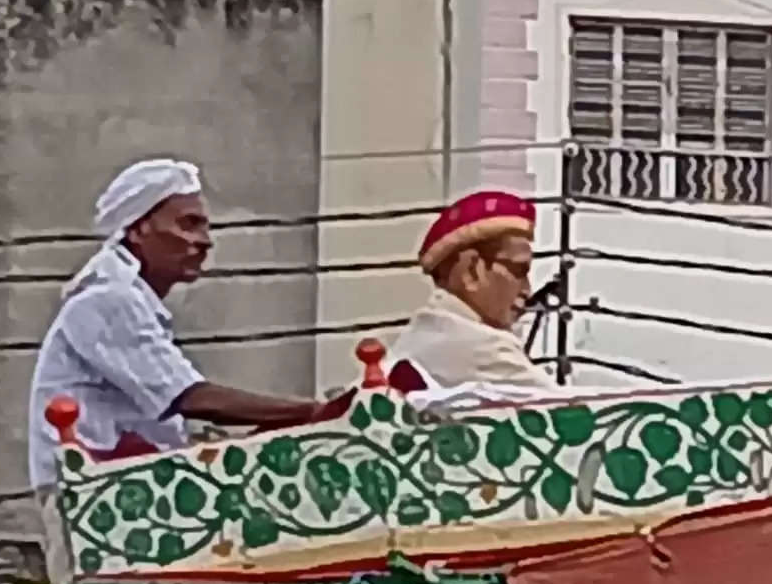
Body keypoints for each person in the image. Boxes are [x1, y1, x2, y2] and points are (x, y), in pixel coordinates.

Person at [28, 157, 342, 485]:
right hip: (105, 499)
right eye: (188, 224)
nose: (205, 241)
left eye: (204, 226)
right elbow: (191, 398)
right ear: (138, 229)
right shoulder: (110, 299)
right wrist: (316, 412)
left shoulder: (127, 299)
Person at [387, 190, 560, 397]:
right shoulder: (484, 348)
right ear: (471, 270)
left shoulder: (426, 330)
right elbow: (573, 415)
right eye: (518, 271)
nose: (527, 290)